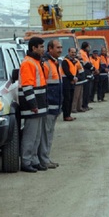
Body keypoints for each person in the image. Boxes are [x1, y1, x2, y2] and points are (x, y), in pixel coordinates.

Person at [19, 37, 48, 172]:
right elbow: (27, 86)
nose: (43, 49)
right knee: (30, 136)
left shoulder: (36, 62)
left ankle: (34, 160)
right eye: (41, 47)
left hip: (39, 105)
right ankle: (26, 161)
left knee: (36, 136)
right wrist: (33, 104)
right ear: (34, 48)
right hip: (33, 107)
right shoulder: (28, 63)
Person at [40, 39, 62, 169]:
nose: (60, 50)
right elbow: (44, 86)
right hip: (49, 105)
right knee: (45, 134)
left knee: (49, 133)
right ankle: (44, 159)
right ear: (50, 49)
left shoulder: (55, 63)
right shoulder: (46, 63)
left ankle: (46, 158)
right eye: (57, 47)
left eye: (61, 47)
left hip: (55, 106)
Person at [61, 47, 78, 121]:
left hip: (72, 82)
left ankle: (69, 114)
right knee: (67, 99)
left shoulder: (74, 61)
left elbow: (75, 71)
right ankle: (66, 115)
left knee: (71, 99)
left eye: (74, 52)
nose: (73, 54)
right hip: (66, 82)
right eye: (72, 52)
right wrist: (72, 78)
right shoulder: (65, 61)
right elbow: (66, 71)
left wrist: (75, 78)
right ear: (68, 52)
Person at [79, 42, 95, 111]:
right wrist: (93, 68)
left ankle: (86, 105)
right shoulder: (82, 53)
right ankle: (84, 105)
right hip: (85, 74)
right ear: (86, 47)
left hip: (88, 73)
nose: (90, 48)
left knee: (88, 91)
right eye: (89, 46)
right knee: (85, 91)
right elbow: (86, 64)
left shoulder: (86, 53)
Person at [72, 49, 86, 113]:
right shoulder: (75, 61)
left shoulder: (80, 61)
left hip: (81, 80)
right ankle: (73, 108)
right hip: (78, 80)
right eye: (79, 54)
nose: (80, 55)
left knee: (80, 95)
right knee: (76, 96)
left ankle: (79, 107)